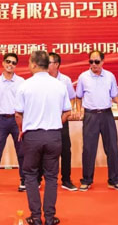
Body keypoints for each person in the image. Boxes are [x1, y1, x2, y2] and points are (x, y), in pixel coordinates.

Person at [15, 50, 71, 225]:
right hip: (54, 135)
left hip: (32, 136)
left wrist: (22, 130)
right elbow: (67, 111)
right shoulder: (59, 85)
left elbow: (18, 114)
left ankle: (35, 217)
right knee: (52, 177)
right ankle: (49, 217)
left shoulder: (25, 85)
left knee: (31, 176)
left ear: (33, 64)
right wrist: (56, 124)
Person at [75, 50, 118, 191]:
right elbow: (78, 97)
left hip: (106, 114)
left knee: (112, 148)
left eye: (97, 62)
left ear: (103, 62)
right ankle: (86, 180)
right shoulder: (83, 77)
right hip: (90, 115)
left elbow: (114, 95)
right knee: (88, 149)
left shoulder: (110, 76)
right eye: (91, 61)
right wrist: (78, 110)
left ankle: (114, 180)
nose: (94, 64)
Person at [0, 53, 26, 193]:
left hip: (17, 120)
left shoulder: (21, 82)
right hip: (1, 120)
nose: (10, 65)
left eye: (13, 63)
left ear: (16, 66)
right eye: (8, 61)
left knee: (21, 152)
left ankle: (24, 180)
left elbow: (25, 102)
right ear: (3, 63)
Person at [48, 52, 78, 191]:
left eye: (49, 62)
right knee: (44, 150)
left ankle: (66, 180)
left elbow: (72, 98)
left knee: (65, 150)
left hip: (62, 119)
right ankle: (40, 179)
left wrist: (66, 114)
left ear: (57, 64)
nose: (46, 65)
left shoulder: (65, 80)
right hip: (46, 119)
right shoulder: (42, 79)